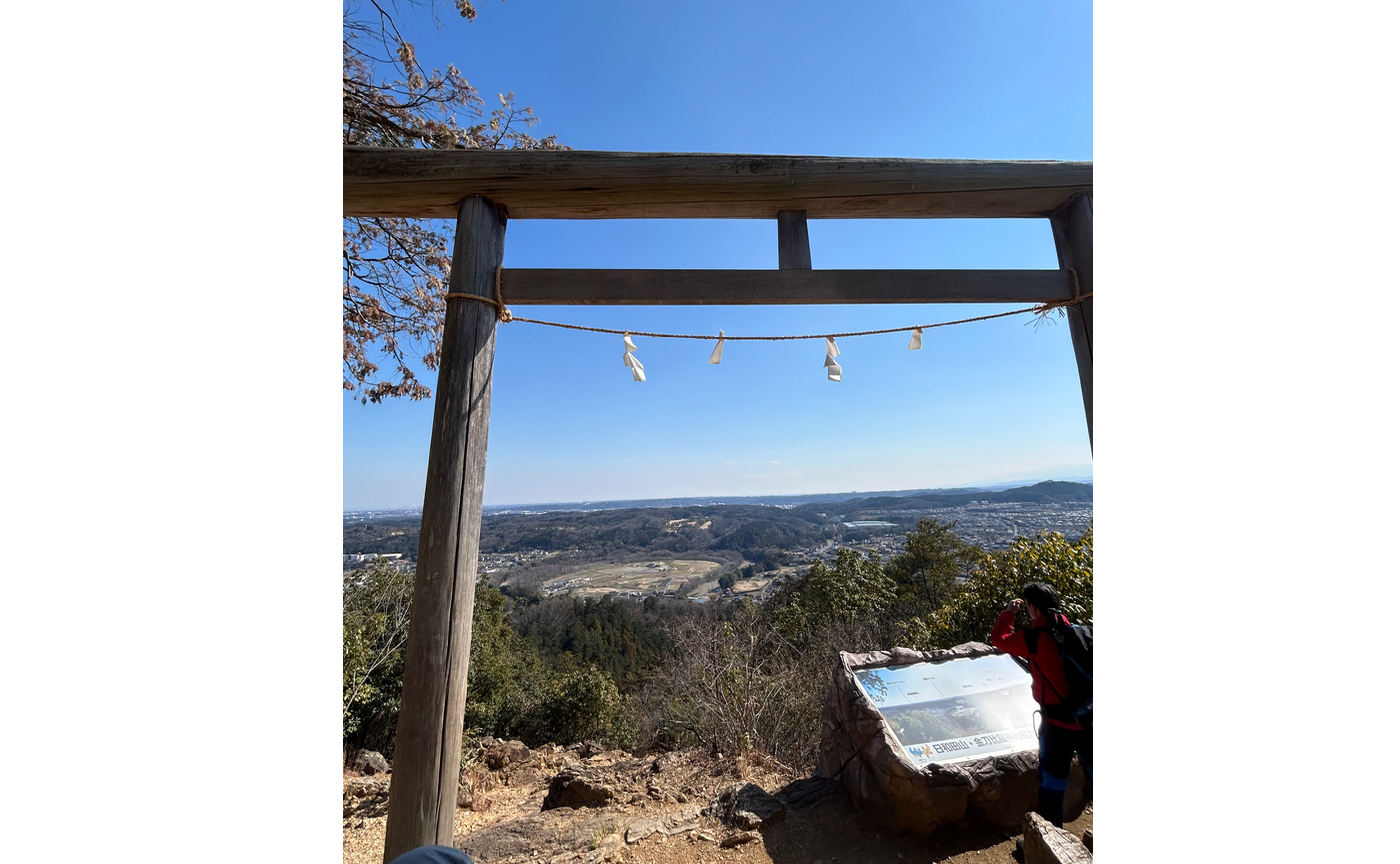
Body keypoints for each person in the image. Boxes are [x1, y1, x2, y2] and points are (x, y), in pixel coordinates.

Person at [990, 582, 1094, 828]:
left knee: (1052, 782)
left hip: (1057, 724)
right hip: (1088, 720)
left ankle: (1050, 839)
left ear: (1033, 607)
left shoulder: (1035, 638)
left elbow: (999, 639)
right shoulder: (1083, 633)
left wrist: (1009, 613)